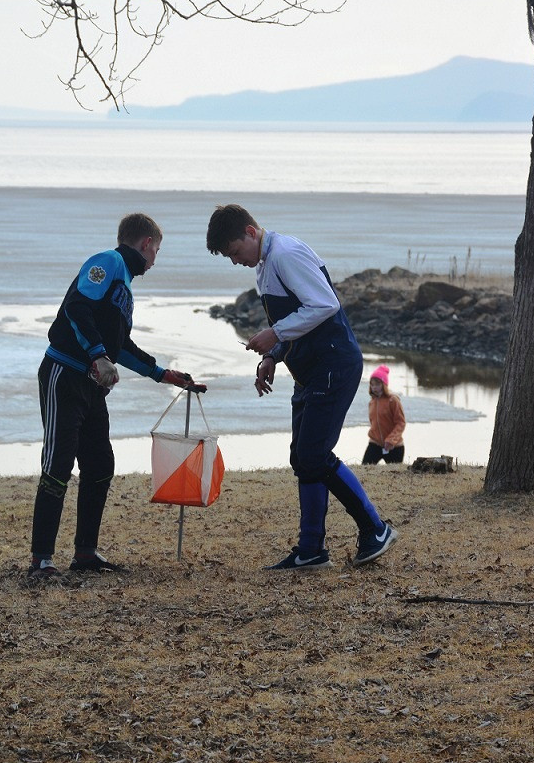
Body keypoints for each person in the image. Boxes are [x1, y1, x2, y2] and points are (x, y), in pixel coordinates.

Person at [206, 203, 397, 570]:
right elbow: (296, 319)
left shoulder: (286, 254)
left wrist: (274, 333)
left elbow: (325, 304)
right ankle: (311, 550)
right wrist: (273, 355)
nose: (234, 261)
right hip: (310, 371)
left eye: (234, 252)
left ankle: (376, 528)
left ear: (250, 232)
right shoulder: (265, 264)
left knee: (313, 456)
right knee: (303, 459)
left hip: (334, 365)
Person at [30, 213, 204, 580]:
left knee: (99, 465)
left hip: (93, 384)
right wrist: (95, 354)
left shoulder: (124, 284)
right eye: (156, 250)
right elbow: (76, 308)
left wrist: (162, 374)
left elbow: (120, 346)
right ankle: (41, 560)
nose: (155, 258)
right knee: (58, 464)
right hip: (65, 374)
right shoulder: (107, 262)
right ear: (145, 244)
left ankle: (85, 554)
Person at [362, 364, 406, 465]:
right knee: (365, 469)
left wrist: (391, 440)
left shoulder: (393, 400)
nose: (374, 387)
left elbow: (401, 423)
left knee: (395, 477)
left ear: (384, 384)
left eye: (377, 384)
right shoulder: (371, 402)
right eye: (372, 384)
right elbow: (373, 423)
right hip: (375, 444)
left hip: (395, 446)